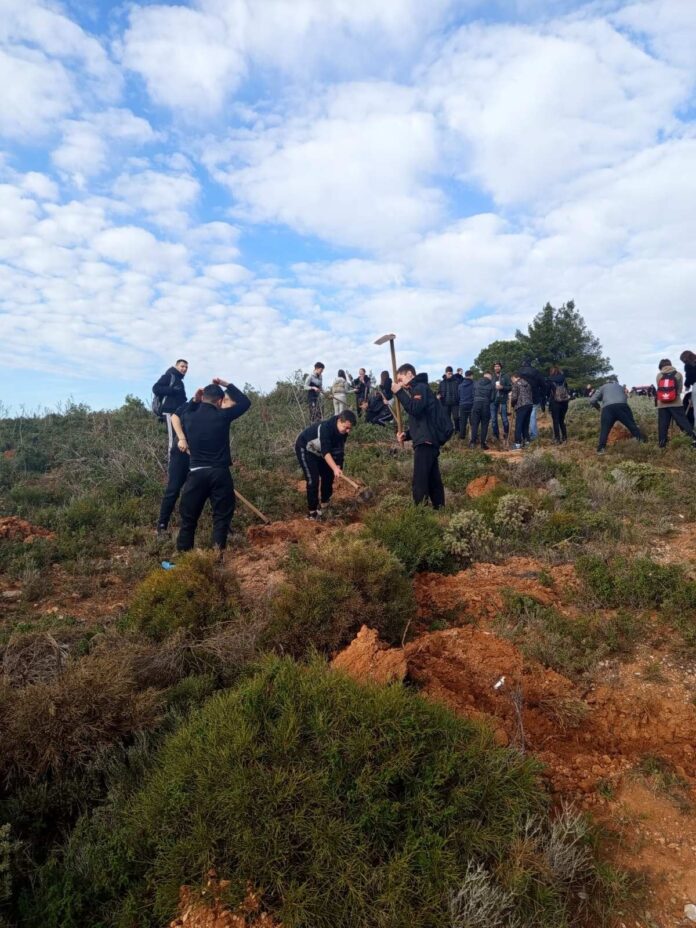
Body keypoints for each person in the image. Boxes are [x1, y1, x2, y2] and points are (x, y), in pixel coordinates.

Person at [171, 378, 251, 553]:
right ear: (220, 401)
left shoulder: (190, 416)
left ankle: (184, 558)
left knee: (189, 520)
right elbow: (245, 402)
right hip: (220, 474)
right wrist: (226, 383)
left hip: (196, 474)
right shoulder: (223, 415)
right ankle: (217, 559)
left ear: (202, 398)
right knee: (221, 519)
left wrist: (194, 401)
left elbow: (180, 414)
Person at [393, 364, 445, 509]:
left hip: (426, 442)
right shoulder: (419, 389)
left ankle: (420, 515)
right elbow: (423, 420)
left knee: (420, 481)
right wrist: (407, 434)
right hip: (428, 440)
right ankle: (440, 510)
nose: (399, 383)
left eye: (400, 379)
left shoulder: (420, 388)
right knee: (433, 479)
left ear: (410, 374)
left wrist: (399, 393)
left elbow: (414, 409)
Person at [295, 410, 357, 520]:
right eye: (345, 427)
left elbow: (339, 450)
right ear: (339, 421)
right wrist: (334, 468)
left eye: (350, 429)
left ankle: (324, 505)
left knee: (328, 476)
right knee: (313, 480)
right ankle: (312, 512)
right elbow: (326, 453)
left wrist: (338, 466)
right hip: (306, 448)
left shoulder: (343, 433)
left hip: (319, 452)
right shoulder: (326, 428)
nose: (348, 431)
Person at [590, 380, 645, 454]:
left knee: (605, 429)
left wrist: (599, 408)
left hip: (608, 408)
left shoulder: (602, 387)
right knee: (632, 425)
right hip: (622, 406)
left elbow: (592, 400)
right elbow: (625, 397)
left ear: (606, 383)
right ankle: (641, 442)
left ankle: (601, 449)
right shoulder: (620, 387)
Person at [655, 359, 696, 449]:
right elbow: (680, 390)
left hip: (662, 404)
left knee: (663, 425)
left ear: (661, 366)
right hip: (676, 403)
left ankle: (662, 445)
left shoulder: (659, 375)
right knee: (683, 423)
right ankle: (693, 440)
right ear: (670, 364)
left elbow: (659, 389)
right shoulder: (678, 374)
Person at [153, 359, 188, 453]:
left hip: (178, 413)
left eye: (186, 367)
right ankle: (170, 463)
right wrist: (172, 390)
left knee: (179, 437)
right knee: (172, 438)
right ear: (176, 366)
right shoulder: (168, 376)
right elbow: (155, 388)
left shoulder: (180, 381)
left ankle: (177, 463)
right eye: (182, 366)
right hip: (169, 412)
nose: (184, 369)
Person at [518, 359, 545, 440]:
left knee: (522, 417)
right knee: (532, 416)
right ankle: (533, 435)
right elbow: (543, 384)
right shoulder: (536, 372)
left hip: (522, 398)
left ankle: (523, 436)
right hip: (534, 397)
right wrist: (542, 395)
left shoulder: (519, 372)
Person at [470, 372, 495, 449]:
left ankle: (472, 443)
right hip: (485, 405)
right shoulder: (491, 385)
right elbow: (492, 398)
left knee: (475, 425)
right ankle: (482, 444)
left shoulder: (476, 383)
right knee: (484, 425)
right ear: (489, 377)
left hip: (476, 404)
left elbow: (472, 394)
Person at [546, 365, 570, 444]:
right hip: (564, 402)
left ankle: (557, 439)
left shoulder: (550, 380)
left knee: (555, 421)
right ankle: (565, 438)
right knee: (561, 420)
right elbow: (567, 389)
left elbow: (548, 392)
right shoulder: (564, 379)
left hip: (555, 402)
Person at [490, 361, 512, 444]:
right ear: (493, 368)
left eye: (498, 366)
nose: (497, 367)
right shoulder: (492, 377)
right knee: (494, 420)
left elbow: (510, 387)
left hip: (503, 399)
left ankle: (506, 434)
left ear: (500, 367)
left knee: (504, 419)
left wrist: (502, 387)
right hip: (493, 401)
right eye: (495, 366)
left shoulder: (505, 376)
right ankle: (496, 436)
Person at [510, 373, 533, 449]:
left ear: (515, 377)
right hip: (529, 405)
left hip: (521, 405)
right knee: (525, 424)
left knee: (518, 425)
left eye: (512, 379)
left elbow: (514, 397)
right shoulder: (527, 383)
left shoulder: (516, 384)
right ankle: (527, 441)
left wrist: (512, 404)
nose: (512, 381)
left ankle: (517, 443)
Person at [438, 366, 461, 434]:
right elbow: (439, 392)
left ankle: (457, 430)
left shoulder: (457, 381)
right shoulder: (442, 383)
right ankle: (449, 431)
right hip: (445, 404)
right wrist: (438, 395)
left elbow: (460, 391)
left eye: (451, 373)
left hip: (455, 403)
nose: (450, 375)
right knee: (447, 419)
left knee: (456, 418)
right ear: (445, 373)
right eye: (448, 373)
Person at [457, 370, 474, 441]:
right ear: (470, 376)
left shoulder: (460, 385)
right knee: (472, 422)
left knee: (463, 422)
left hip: (462, 405)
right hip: (471, 404)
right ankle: (472, 438)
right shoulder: (474, 384)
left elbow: (458, 396)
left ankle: (462, 438)